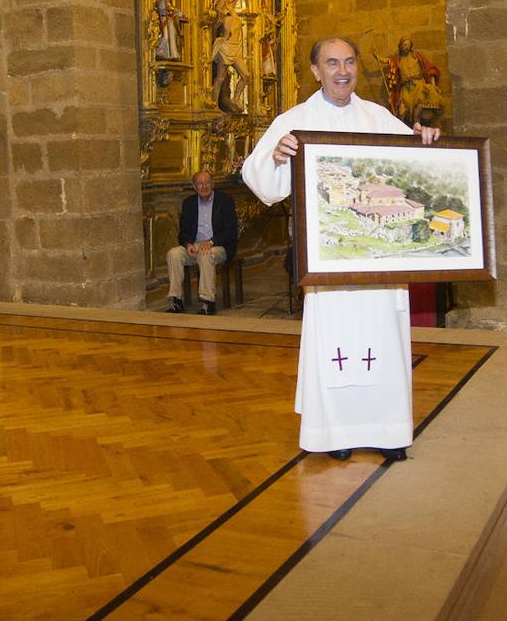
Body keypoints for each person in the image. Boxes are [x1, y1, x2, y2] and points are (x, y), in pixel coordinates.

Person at [241, 37, 440, 462]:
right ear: (315, 71)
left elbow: (415, 162)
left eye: (349, 61)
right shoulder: (294, 121)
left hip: (380, 264)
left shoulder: (378, 116)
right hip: (327, 264)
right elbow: (258, 179)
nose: (342, 70)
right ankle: (335, 434)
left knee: (383, 340)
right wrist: (277, 158)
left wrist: (426, 138)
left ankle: (388, 431)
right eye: (332, 63)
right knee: (334, 343)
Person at [165, 170, 238, 316]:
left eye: (207, 183)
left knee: (205, 254)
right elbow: (184, 231)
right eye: (200, 183)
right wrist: (188, 244)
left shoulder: (225, 200)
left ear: (213, 184)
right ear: (194, 186)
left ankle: (208, 302)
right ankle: (176, 300)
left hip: (218, 245)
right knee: (173, 254)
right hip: (195, 244)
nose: (204, 186)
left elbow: (230, 230)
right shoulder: (188, 203)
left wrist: (211, 242)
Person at [382, 37, 444, 126]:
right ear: (400, 46)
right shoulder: (398, 59)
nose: (405, 46)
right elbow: (387, 61)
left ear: (411, 46)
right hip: (406, 88)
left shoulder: (417, 57)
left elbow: (430, 70)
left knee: (417, 111)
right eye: (404, 45)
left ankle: (416, 129)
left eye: (407, 44)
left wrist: (433, 86)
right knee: (401, 111)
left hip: (418, 86)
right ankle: (401, 132)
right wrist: (376, 56)